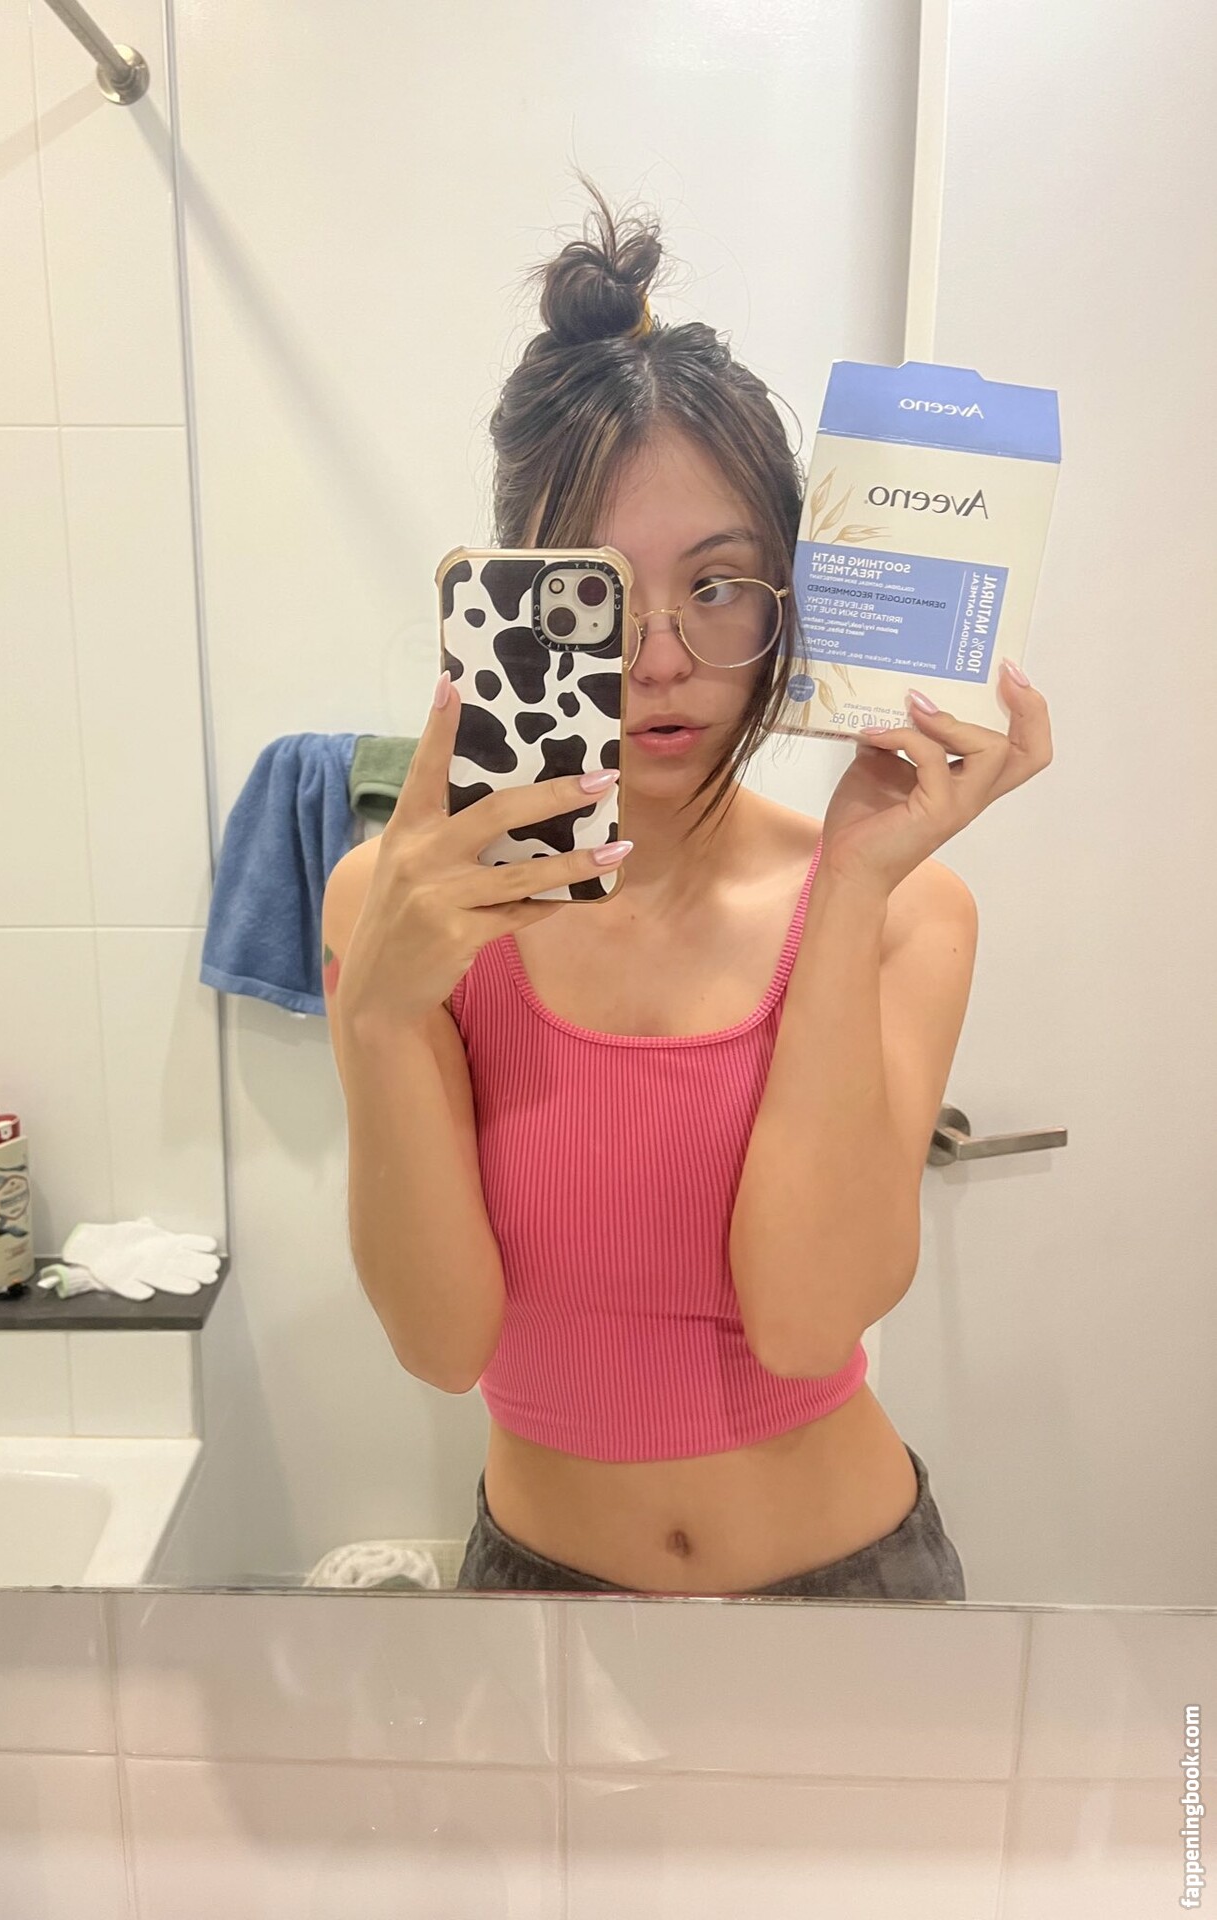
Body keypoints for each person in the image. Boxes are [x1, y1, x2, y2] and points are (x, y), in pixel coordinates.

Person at [322, 180, 1053, 1602]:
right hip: (538, 1592)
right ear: (513, 595)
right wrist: (382, 1012)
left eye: (718, 587)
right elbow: (439, 1345)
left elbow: (807, 1323)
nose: (659, 661)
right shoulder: (398, 908)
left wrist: (852, 883)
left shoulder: (907, 914)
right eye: (598, 594)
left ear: (790, 596)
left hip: (856, 1595)